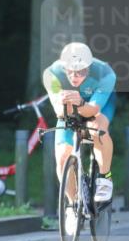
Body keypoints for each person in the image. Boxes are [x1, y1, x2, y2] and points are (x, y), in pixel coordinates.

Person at [42, 42, 117, 205]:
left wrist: (81, 104)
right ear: (63, 67)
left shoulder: (105, 74)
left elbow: (92, 110)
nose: (75, 76)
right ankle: (72, 203)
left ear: (89, 68)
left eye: (81, 71)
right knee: (62, 156)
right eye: (70, 71)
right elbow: (59, 112)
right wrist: (65, 104)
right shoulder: (52, 74)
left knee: (97, 129)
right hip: (69, 106)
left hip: (97, 103)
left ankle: (105, 177)